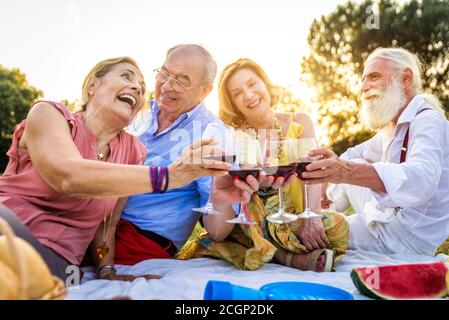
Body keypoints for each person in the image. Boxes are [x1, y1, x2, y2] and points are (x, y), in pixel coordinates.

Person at [0, 56, 252, 283]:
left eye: (141, 86)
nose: (139, 87)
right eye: (126, 76)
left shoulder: (133, 151)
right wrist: (169, 176)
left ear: (204, 90)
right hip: (10, 226)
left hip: (62, 260)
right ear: (92, 86)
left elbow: (107, 223)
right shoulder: (50, 113)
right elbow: (67, 176)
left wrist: (107, 272)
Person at [95, 45, 282, 281]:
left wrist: (219, 199)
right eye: (164, 73)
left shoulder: (212, 134)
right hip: (94, 221)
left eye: (182, 80)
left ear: (204, 91)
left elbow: (217, 231)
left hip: (139, 241)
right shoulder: (138, 113)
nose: (167, 85)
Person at [177, 58, 349, 272]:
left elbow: (311, 172)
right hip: (254, 220)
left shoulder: (300, 122)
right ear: (234, 104)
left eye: (252, 84)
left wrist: (311, 216)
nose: (248, 95)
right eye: (238, 93)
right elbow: (237, 198)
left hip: (292, 217)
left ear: (265, 84)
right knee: (252, 221)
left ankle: (270, 249)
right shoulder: (234, 136)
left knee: (338, 225)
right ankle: (288, 257)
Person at [305, 47, 449, 256]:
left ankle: (317, 219)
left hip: (406, 242)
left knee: (300, 231)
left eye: (373, 77)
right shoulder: (393, 128)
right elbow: (352, 155)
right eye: (363, 80)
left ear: (405, 78)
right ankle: (323, 208)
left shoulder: (428, 120)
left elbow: (422, 180)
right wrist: (330, 186)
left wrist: (344, 172)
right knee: (348, 168)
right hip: (386, 225)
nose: (364, 87)